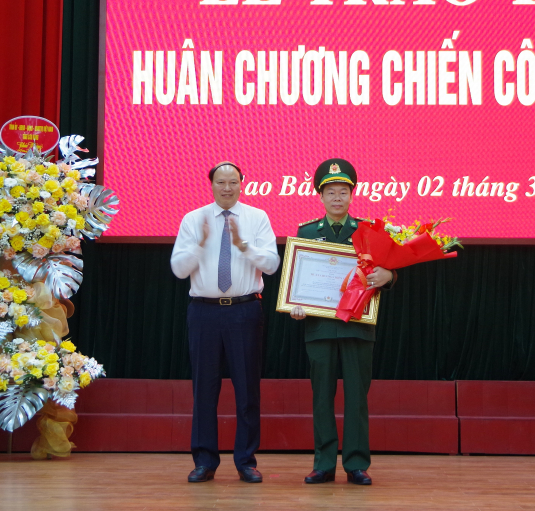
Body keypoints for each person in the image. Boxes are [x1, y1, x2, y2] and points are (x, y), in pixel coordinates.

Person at [170, 161, 280, 483]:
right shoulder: (194, 219)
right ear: (212, 184)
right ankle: (204, 461)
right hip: (204, 312)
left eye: (233, 181)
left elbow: (272, 265)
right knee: (204, 389)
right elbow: (178, 269)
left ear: (242, 183)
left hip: (244, 311)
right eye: (221, 182)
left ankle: (246, 461)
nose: (227, 188)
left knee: (247, 388)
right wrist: (201, 244)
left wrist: (244, 246)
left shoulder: (257, 217)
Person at [290, 158, 396, 486]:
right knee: (321, 397)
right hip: (320, 327)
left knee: (356, 398)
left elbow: (386, 270)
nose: (337, 198)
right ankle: (323, 464)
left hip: (358, 326)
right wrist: (296, 303)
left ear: (352, 195)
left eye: (343, 192)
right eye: (331, 192)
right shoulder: (307, 232)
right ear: (320, 196)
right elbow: (297, 278)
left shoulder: (368, 231)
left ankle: (356, 464)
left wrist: (389, 276)